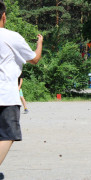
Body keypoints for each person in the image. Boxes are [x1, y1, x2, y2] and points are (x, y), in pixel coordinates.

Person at [0, 0, 43, 168]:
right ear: (3, 16)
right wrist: (39, 44)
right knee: (8, 135)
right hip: (5, 96)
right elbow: (34, 59)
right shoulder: (11, 36)